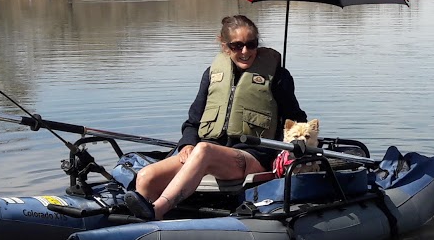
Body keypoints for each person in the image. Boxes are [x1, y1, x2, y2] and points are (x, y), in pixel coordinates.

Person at [124, 14, 307, 220]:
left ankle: (156, 211)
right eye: (237, 46)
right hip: (207, 153)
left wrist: (298, 142)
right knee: (146, 176)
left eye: (251, 44)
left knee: (204, 150)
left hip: (252, 156)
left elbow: (297, 119)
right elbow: (193, 122)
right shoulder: (211, 74)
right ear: (224, 45)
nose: (245, 51)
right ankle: (150, 229)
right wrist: (186, 144)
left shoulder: (279, 77)